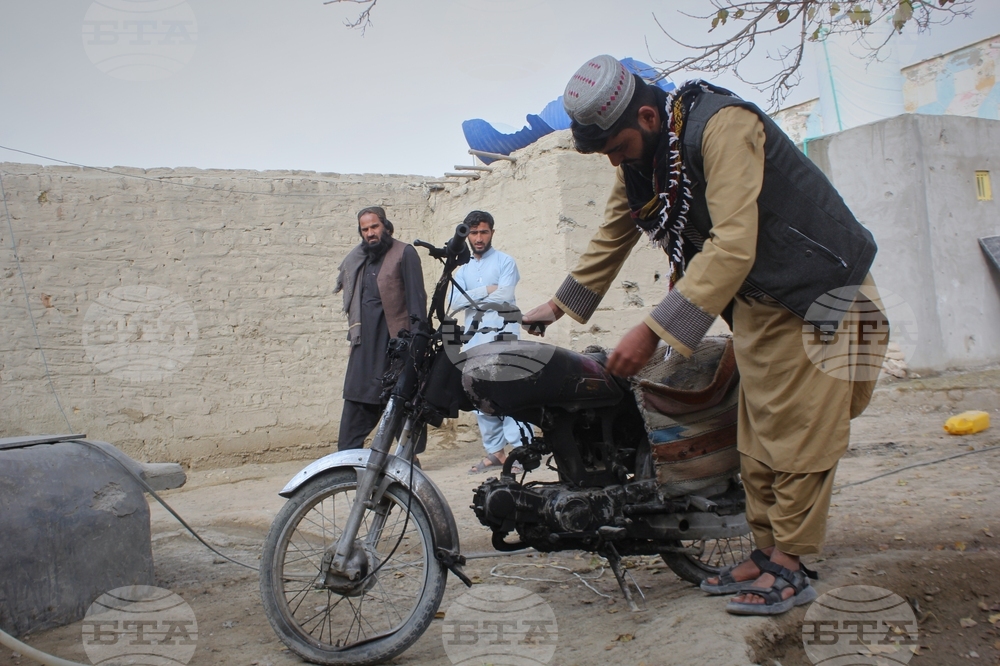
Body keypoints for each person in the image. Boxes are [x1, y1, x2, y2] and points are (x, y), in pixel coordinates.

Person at [522, 55, 888, 616]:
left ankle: (791, 566)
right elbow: (613, 233)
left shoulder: (724, 127)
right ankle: (767, 554)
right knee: (757, 441)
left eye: (618, 148)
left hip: (822, 296)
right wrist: (560, 304)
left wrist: (654, 330)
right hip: (762, 308)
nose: (617, 162)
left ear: (646, 116)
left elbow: (734, 245)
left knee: (799, 437)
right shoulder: (646, 160)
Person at [335, 206, 428, 456]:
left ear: (386, 226)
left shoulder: (404, 253)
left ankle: (406, 472)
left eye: (374, 227)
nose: (370, 233)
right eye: (364, 229)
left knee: (398, 409)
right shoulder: (358, 259)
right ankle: (347, 467)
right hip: (365, 349)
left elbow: (417, 303)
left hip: (395, 349)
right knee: (354, 411)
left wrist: (417, 348)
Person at [448, 210, 529, 474]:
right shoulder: (462, 270)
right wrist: (487, 290)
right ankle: (496, 453)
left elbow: (504, 296)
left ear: (492, 232)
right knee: (480, 399)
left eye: (483, 232)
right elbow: (452, 302)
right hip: (475, 342)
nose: (479, 238)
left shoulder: (506, 262)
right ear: (467, 235)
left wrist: (480, 294)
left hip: (503, 337)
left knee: (509, 395)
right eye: (474, 233)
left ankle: (520, 453)